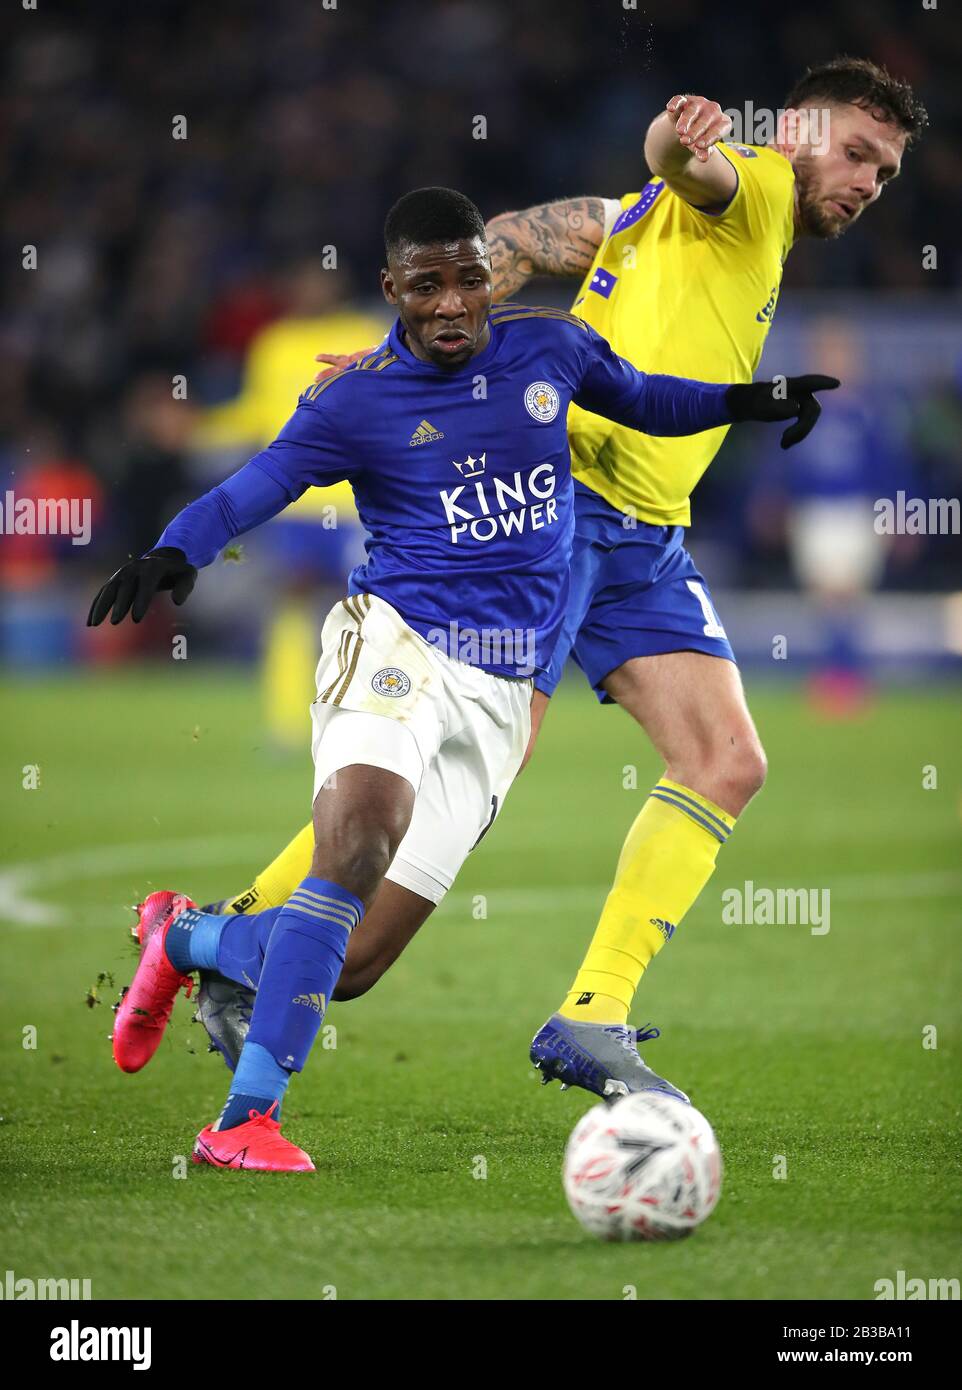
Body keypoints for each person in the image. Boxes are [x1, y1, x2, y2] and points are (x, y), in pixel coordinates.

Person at [187, 58, 925, 1101]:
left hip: (644, 531)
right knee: (466, 762)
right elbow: (682, 160)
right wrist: (680, 138)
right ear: (794, 133)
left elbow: (528, 238)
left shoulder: (653, 221)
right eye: (854, 152)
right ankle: (233, 942)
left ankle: (590, 1017)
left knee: (723, 758)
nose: (865, 182)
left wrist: (408, 349)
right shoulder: (752, 186)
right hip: (563, 505)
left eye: (885, 174)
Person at [89, 186, 836, 1171]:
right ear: (392, 289)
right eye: (425, 285)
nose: (449, 302)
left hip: (495, 691)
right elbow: (251, 487)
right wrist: (174, 551)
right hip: (392, 640)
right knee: (355, 841)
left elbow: (646, 398)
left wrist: (752, 399)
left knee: (352, 964)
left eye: (466, 280)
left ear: (493, 278)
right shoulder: (354, 400)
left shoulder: (547, 350)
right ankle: (244, 1121)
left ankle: (183, 940)